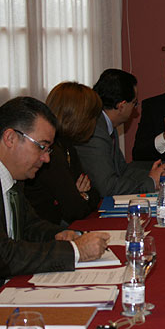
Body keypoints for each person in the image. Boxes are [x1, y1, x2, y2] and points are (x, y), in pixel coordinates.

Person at [0, 97, 109, 283]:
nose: (46, 159)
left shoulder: (15, 180)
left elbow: (30, 226)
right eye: (41, 147)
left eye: (48, 150)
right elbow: (5, 255)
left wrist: (61, 235)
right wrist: (76, 251)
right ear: (10, 138)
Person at [76, 69, 165, 197]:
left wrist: (157, 175)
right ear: (121, 106)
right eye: (134, 103)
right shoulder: (95, 131)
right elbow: (108, 187)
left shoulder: (108, 124)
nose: (135, 109)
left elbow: (122, 170)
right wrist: (151, 182)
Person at [25, 82, 102, 226]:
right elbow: (75, 210)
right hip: (46, 230)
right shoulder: (51, 154)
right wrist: (83, 196)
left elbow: (95, 193)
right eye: (93, 117)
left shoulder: (67, 146)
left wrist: (83, 196)